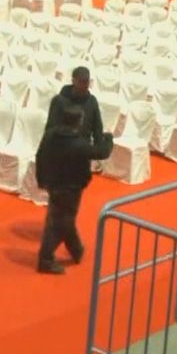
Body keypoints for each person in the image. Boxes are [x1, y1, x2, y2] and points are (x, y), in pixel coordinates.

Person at [35, 106, 113, 274]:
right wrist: (108, 139)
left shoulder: (50, 135)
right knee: (61, 223)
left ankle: (76, 250)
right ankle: (45, 259)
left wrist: (41, 179)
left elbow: (39, 155)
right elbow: (101, 152)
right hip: (70, 189)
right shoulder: (78, 143)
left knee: (61, 218)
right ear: (79, 121)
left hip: (53, 185)